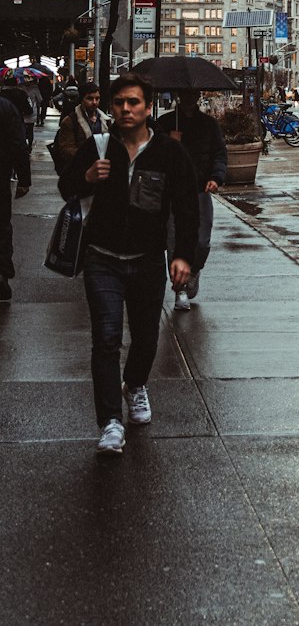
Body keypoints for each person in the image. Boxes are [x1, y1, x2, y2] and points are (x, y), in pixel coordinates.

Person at [58, 73, 198, 457]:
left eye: (133, 102)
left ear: (148, 107)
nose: (125, 109)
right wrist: (86, 177)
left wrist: (183, 256)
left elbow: (187, 208)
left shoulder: (169, 153)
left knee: (146, 337)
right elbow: (65, 187)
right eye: (119, 102)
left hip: (148, 260)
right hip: (102, 258)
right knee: (105, 339)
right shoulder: (99, 146)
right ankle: (110, 422)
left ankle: (135, 385)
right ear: (111, 106)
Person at [154, 89, 227, 312]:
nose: (189, 100)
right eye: (185, 96)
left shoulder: (209, 124)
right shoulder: (165, 123)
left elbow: (219, 153)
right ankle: (180, 290)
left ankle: (193, 271)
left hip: (200, 190)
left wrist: (216, 177)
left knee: (202, 241)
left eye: (192, 96)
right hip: (172, 193)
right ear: (179, 97)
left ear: (197, 98)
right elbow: (151, 154)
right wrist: (169, 141)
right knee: (174, 242)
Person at [0, 92, 31, 301]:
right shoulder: (6, 108)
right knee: (2, 225)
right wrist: (24, 178)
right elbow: (19, 144)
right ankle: (1, 274)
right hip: (1, 175)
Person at [53, 80, 108, 172]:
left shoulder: (105, 120)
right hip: (78, 170)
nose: (94, 102)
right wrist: (88, 156)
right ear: (82, 99)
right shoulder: (71, 121)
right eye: (90, 98)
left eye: (97, 98)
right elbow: (66, 149)